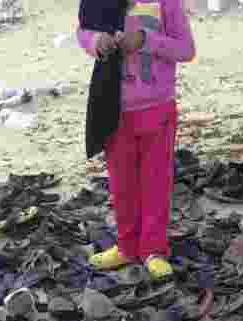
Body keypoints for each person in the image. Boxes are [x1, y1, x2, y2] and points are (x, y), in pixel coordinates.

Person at [77, 0, 196, 278]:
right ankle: (128, 247)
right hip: (114, 109)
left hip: (158, 109)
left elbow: (186, 49)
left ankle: (153, 250)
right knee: (122, 185)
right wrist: (96, 41)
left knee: (156, 182)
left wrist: (145, 40)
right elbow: (83, 30)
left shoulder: (168, 3)